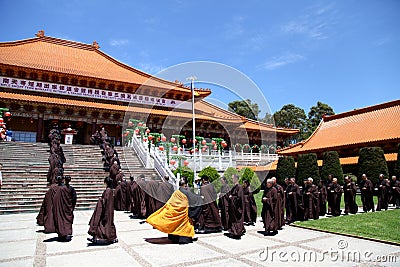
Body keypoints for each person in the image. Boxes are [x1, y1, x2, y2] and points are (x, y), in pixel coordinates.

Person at [146, 178, 202, 244]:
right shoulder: (186, 192)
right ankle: (183, 239)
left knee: (175, 225)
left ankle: (174, 238)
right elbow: (195, 199)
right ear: (186, 184)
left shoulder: (177, 192)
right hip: (183, 214)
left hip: (175, 212)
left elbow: (170, 203)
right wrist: (200, 198)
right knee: (184, 226)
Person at [88, 177, 118, 244]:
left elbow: (105, 201)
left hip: (105, 210)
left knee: (98, 223)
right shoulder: (111, 190)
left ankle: (95, 237)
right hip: (109, 210)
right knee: (109, 224)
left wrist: (100, 200)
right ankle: (113, 237)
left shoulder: (107, 190)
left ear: (106, 182)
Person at [53, 175, 76, 241]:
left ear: (65, 180)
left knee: (62, 220)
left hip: (62, 207)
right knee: (67, 221)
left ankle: (62, 233)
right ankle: (67, 232)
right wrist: (72, 206)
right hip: (68, 207)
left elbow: (56, 199)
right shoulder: (71, 188)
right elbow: (74, 198)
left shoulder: (61, 189)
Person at [225, 174, 245, 239]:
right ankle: (234, 232)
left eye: (233, 178)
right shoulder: (234, 187)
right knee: (233, 220)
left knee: (237, 220)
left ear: (236, 179)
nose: (232, 179)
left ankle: (237, 233)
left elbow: (239, 198)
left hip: (237, 207)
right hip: (233, 207)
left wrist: (232, 197)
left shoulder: (240, 187)